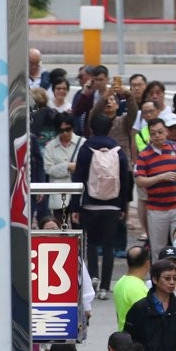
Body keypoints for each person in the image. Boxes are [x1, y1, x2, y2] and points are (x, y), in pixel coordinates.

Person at [70, 113, 129, 299]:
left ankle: (93, 277)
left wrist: (75, 207)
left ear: (92, 128)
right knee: (109, 246)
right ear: (109, 128)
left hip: (90, 204)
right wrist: (123, 206)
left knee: (92, 244)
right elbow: (126, 180)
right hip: (112, 205)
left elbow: (78, 178)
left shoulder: (86, 149)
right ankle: (105, 287)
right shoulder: (118, 151)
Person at [133, 118, 176, 257]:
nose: (157, 135)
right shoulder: (144, 155)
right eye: (153, 133)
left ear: (166, 132)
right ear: (150, 135)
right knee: (157, 249)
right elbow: (140, 181)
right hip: (156, 209)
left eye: (160, 132)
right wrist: (160, 177)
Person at [112, 245, 151, 330]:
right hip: (135, 339)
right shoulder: (138, 288)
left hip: (124, 336)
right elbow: (145, 319)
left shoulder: (120, 282)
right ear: (147, 263)